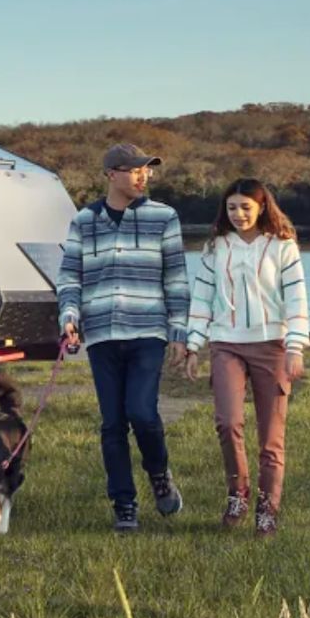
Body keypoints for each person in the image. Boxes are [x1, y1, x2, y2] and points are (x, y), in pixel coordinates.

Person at [57, 143, 191, 532]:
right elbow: (69, 277)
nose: (142, 176)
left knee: (142, 413)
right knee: (112, 423)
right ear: (111, 174)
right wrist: (69, 315)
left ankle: (159, 473)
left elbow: (176, 279)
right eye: (134, 170)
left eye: (146, 170)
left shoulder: (164, 217)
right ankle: (124, 505)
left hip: (148, 331)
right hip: (101, 335)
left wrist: (179, 331)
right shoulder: (83, 221)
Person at [182, 178, 310, 536]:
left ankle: (267, 509)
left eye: (246, 207)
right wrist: (194, 344)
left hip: (273, 346)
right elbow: (202, 298)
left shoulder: (283, 247)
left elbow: (297, 299)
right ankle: (238, 492)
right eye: (232, 207)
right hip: (226, 344)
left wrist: (295, 347)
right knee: (227, 422)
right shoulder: (215, 247)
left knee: (271, 439)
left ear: (262, 207)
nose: (238, 214)